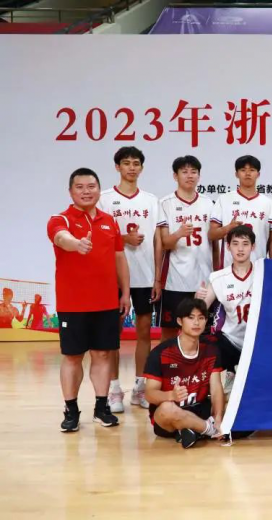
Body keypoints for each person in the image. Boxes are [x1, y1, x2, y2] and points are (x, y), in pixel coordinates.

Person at [47, 168, 131, 432]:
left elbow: (119, 257)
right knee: (73, 357)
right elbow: (61, 237)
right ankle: (71, 410)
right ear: (71, 191)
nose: (86, 191)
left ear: (98, 189)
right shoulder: (60, 219)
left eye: (91, 186)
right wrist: (77, 244)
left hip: (106, 301)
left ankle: (101, 408)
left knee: (103, 354)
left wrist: (125, 292)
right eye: (80, 187)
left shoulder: (110, 221)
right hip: (73, 304)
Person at [98, 146, 161, 412]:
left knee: (144, 332)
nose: (131, 167)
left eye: (136, 163)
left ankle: (140, 387)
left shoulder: (151, 200)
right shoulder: (104, 199)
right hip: (113, 276)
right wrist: (123, 239)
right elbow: (97, 235)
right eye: (126, 163)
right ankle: (114, 390)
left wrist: (157, 278)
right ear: (117, 167)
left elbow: (158, 240)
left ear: (142, 168)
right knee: (112, 334)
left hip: (145, 276)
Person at [143, 298, 224, 449]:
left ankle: (190, 430)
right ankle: (208, 429)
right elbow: (149, 394)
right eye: (191, 318)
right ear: (180, 321)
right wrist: (171, 395)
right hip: (170, 415)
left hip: (200, 409)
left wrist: (218, 417)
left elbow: (216, 388)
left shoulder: (211, 349)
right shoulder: (161, 353)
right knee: (167, 409)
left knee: (234, 399)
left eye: (201, 318)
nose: (196, 323)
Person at [195, 225, 260, 394]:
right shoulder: (218, 277)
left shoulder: (263, 274)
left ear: (253, 247)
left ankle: (239, 372)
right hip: (230, 340)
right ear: (228, 247)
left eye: (245, 244)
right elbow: (199, 309)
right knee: (204, 345)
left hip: (258, 342)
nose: (240, 249)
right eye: (235, 244)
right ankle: (220, 380)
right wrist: (197, 299)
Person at [157, 156, 216, 342]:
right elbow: (164, 243)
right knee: (169, 331)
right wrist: (179, 234)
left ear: (199, 176)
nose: (189, 176)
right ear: (175, 176)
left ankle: (197, 362)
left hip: (203, 279)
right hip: (175, 280)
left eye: (194, 172)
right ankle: (167, 361)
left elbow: (214, 241)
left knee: (202, 330)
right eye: (184, 172)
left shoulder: (208, 203)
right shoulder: (165, 203)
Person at [208, 155, 272, 268]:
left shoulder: (268, 203)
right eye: (243, 170)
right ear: (236, 174)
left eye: (252, 170)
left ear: (258, 174)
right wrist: (227, 228)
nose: (247, 174)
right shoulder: (224, 199)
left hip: (258, 267)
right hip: (229, 268)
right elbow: (211, 235)